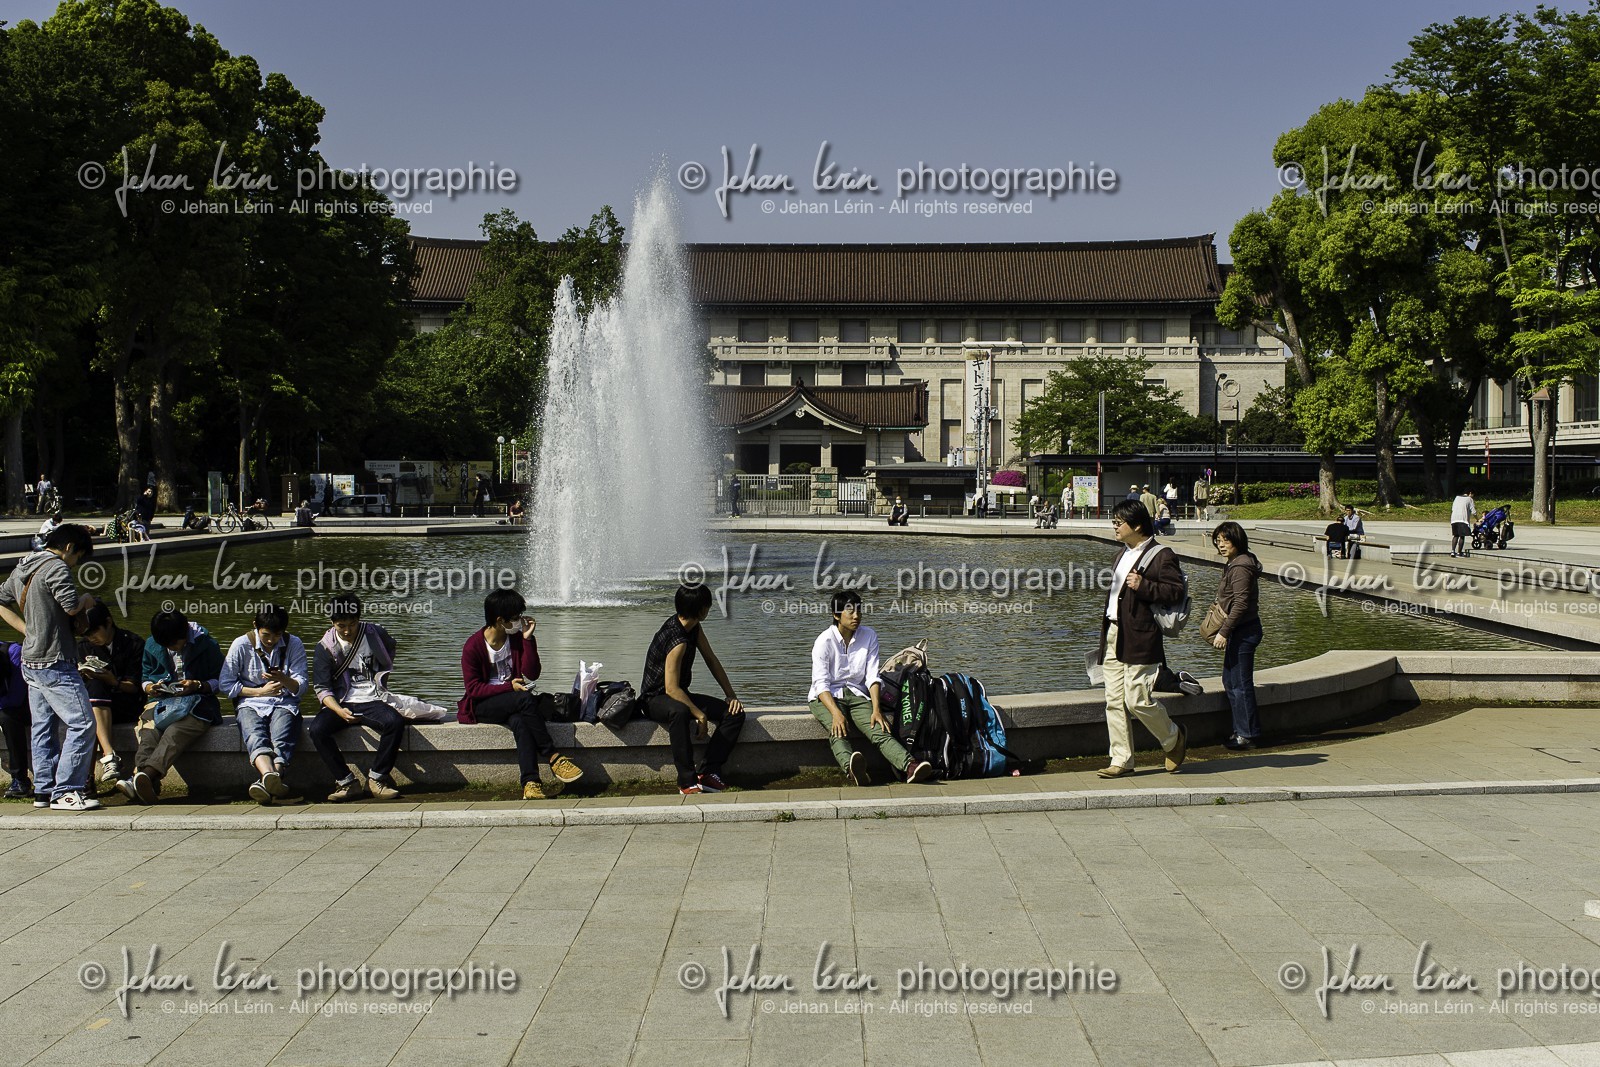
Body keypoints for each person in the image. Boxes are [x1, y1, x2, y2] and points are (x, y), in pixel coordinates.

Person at [0, 524, 101, 811]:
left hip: (31, 660)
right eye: (78, 556)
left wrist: (27, 631)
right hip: (55, 660)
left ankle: (44, 790)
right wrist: (87, 600)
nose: (75, 563)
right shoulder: (57, 567)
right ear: (69, 547)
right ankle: (66, 790)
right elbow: (71, 607)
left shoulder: (24, 565)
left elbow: (1, 601)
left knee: (43, 727)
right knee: (83, 723)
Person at [459, 589, 584, 800]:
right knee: (524, 699)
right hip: (483, 705)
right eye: (516, 617)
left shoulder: (516, 639)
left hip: (514, 702)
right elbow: (474, 690)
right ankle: (553, 756)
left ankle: (530, 784)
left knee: (520, 722)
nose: (520, 621)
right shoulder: (473, 646)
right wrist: (510, 687)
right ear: (500, 620)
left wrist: (528, 639)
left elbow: (532, 673)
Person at [1093, 500, 1188, 779]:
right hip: (1113, 633)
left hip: (1141, 636)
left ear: (1136, 525)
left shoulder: (1161, 555)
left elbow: (1175, 591)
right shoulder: (1121, 554)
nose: (1114, 527)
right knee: (1113, 700)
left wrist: (1143, 585)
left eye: (1118, 522)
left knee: (1137, 700)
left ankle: (1173, 737)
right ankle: (1121, 759)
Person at [808, 591, 935, 786]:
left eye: (859, 611)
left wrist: (876, 709)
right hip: (826, 697)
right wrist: (836, 713)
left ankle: (910, 766)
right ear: (836, 615)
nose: (856, 616)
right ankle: (852, 770)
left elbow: (872, 677)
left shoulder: (869, 636)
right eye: (850, 612)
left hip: (857, 694)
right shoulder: (823, 642)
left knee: (879, 729)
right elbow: (821, 684)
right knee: (838, 729)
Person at [638, 583, 745, 795]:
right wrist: (700, 714)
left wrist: (731, 696)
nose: (710, 609)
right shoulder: (677, 640)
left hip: (679, 693)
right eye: (708, 606)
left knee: (734, 714)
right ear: (701, 610)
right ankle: (686, 780)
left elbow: (711, 660)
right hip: (654, 699)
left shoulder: (693, 627)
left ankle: (709, 773)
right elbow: (671, 689)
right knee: (679, 711)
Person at [114, 609, 224, 804]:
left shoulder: (207, 645)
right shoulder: (152, 644)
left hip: (198, 704)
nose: (171, 649)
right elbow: (145, 677)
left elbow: (222, 681)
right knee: (147, 731)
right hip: (161, 701)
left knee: (175, 732)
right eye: (166, 646)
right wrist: (150, 687)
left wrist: (198, 685)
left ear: (185, 635)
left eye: (174, 644)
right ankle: (146, 781)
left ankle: (144, 775)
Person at [309, 597, 408, 801]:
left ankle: (377, 778)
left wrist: (382, 676)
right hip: (342, 701)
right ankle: (346, 782)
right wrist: (338, 710)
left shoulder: (375, 633)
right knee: (317, 730)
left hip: (372, 699)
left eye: (352, 624)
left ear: (359, 619)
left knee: (395, 722)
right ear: (332, 623)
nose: (347, 630)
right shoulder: (324, 647)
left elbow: (391, 647)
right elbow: (322, 688)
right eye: (341, 626)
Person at [220, 604, 307, 805]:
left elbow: (301, 686)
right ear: (255, 626)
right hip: (250, 702)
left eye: (277, 635)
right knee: (254, 735)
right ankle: (270, 775)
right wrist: (260, 692)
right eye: (266, 635)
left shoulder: (294, 643)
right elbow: (226, 684)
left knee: (282, 737)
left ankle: (266, 781)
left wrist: (283, 679)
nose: (270, 640)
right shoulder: (241, 644)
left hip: (284, 702)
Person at [77, 602, 145, 786]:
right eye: (86, 635)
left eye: (94, 632)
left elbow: (135, 687)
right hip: (95, 704)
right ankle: (108, 757)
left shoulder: (133, 643)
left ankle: (86, 781)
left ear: (108, 622)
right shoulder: (83, 646)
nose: (91, 638)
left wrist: (113, 681)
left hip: (125, 704)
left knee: (91, 711)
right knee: (92, 699)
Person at [1210, 521, 1263, 751]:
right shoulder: (1235, 563)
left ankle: (1247, 735)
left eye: (1226, 540)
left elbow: (1241, 604)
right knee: (1231, 682)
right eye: (1218, 541)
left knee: (1240, 684)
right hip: (1240, 631)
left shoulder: (1241, 567)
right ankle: (1240, 730)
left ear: (1237, 541)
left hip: (1243, 631)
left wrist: (1224, 631)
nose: (1221, 545)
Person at [2, 640, 30, 799]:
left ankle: (20, 780)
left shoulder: (14, 652)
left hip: (21, 706)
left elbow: (16, 698)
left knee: (8, 718)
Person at [1450, 488, 1476, 558]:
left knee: (1456, 535)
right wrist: (1477, 519)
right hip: (1463, 519)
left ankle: (1452, 551)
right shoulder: (1469, 499)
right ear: (1470, 493)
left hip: (1454, 519)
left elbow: (1452, 508)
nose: (1472, 496)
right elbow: (1474, 512)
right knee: (1462, 535)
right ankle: (1459, 552)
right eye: (1473, 495)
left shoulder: (1457, 498)